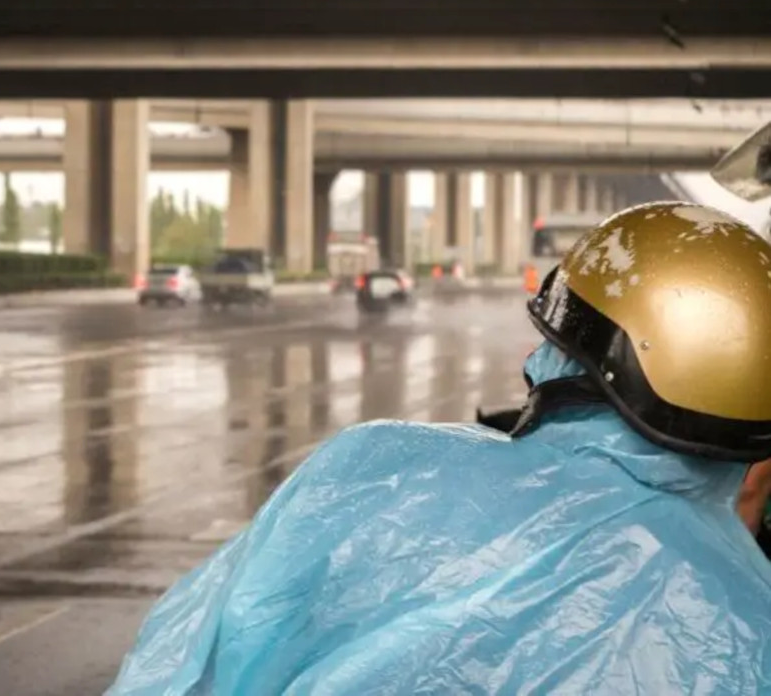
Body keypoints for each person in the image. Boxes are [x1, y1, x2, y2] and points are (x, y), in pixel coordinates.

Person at [106, 202, 771, 695]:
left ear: (586, 367)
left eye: (554, 344)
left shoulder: (377, 474)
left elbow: (182, 671)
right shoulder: (752, 612)